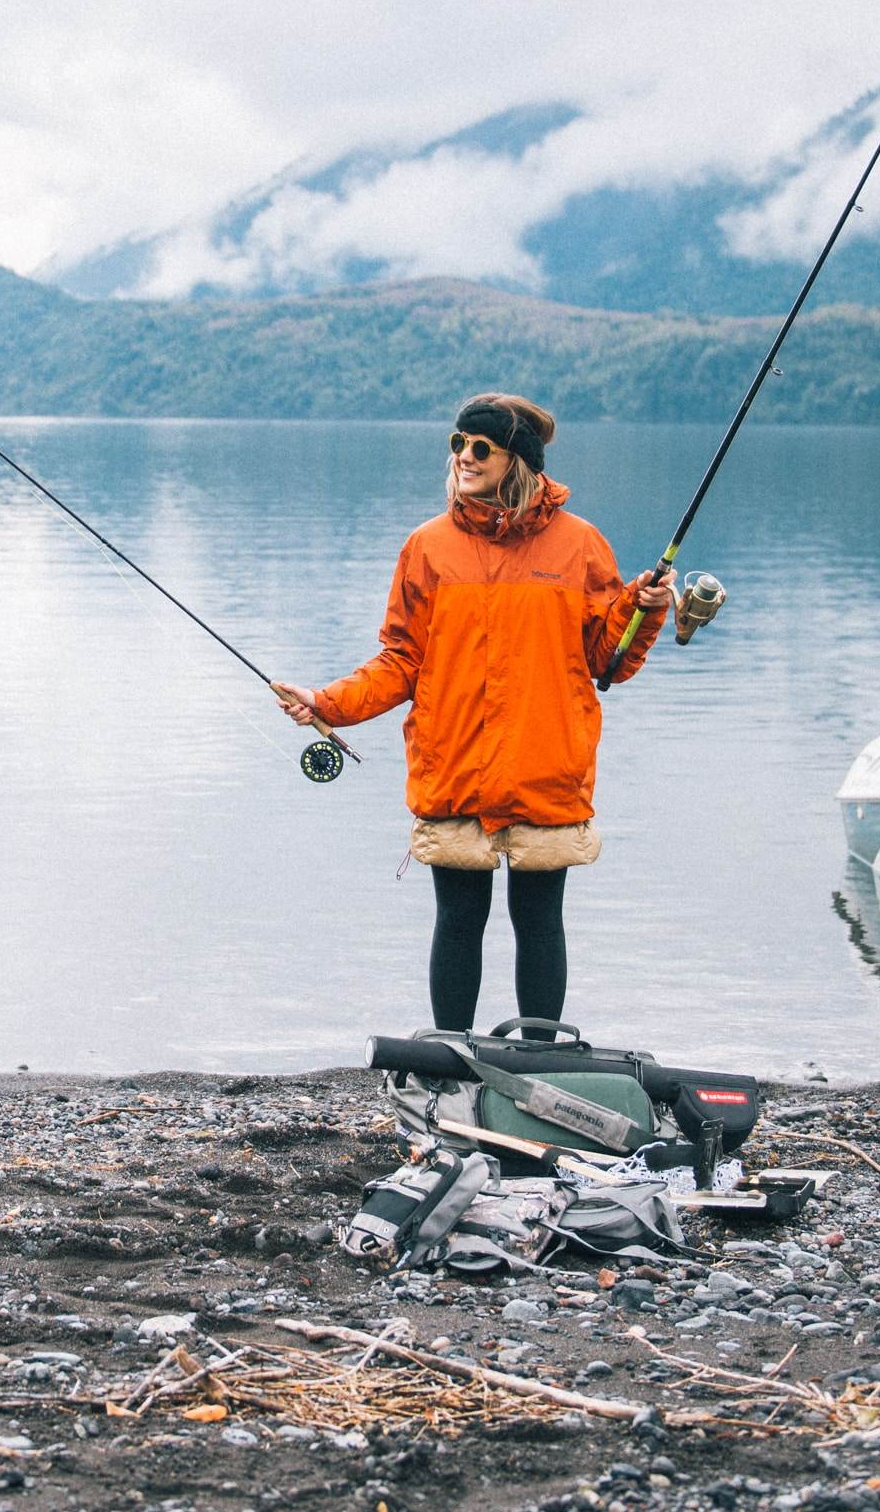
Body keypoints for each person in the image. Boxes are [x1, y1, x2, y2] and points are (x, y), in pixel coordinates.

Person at [271, 394, 672, 1037]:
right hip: (453, 763)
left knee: (539, 921)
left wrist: (643, 610)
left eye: (479, 447)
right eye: (457, 443)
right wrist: (327, 703)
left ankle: (537, 1065)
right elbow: (402, 660)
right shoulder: (427, 547)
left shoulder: (580, 546)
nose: (463, 457)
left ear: (518, 460)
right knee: (458, 921)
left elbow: (606, 660)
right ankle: (451, 1063)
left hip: (546, 765)